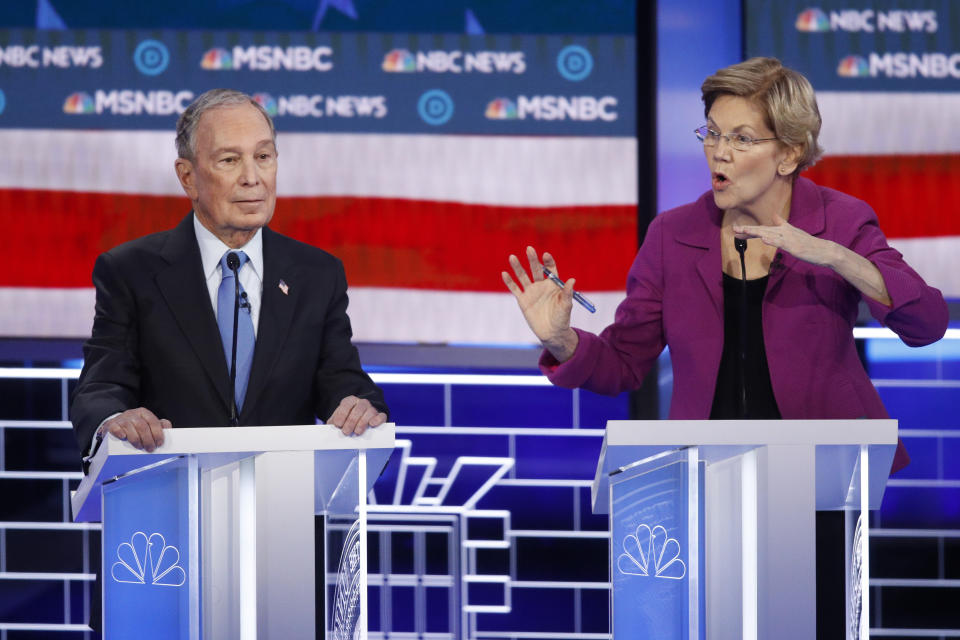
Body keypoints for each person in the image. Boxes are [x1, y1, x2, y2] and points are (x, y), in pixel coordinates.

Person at [503, 56, 948, 638]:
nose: (719, 152)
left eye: (741, 138)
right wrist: (563, 340)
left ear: (789, 153)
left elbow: (927, 322)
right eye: (712, 132)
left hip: (820, 484)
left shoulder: (839, 221)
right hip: (699, 486)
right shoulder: (673, 234)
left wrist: (835, 256)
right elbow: (624, 362)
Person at [71, 88, 388, 460]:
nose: (252, 178)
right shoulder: (130, 271)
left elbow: (341, 380)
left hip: (281, 504)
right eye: (229, 160)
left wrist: (358, 406)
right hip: (167, 500)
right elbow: (102, 386)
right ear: (187, 177)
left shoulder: (317, 274)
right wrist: (116, 419)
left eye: (263, 156)